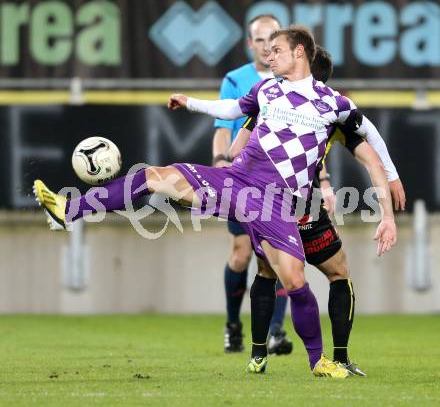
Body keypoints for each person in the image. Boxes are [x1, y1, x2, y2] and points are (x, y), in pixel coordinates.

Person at [34, 26, 397, 378]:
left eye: (277, 51)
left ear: (299, 52)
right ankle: (70, 209)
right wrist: (190, 102)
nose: (269, 58)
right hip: (236, 182)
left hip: (277, 202)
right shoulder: (267, 89)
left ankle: (319, 362)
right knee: (155, 176)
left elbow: (370, 153)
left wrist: (387, 215)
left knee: (295, 280)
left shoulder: (335, 104)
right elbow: (231, 110)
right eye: (267, 52)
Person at [229, 46, 406, 376]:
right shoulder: (331, 112)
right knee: (338, 273)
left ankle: (257, 355)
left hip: (267, 202)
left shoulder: (271, 106)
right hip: (305, 206)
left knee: (267, 272)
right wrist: (387, 205)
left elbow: (235, 150)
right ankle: (339, 357)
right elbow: (371, 156)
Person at [212, 14, 292, 355]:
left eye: (272, 38)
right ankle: (233, 325)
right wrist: (219, 162)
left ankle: (275, 332)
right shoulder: (236, 79)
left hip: (282, 180)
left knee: (280, 256)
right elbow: (222, 126)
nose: (265, 45)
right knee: (242, 254)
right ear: (250, 44)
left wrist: (323, 178)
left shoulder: (295, 79)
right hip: (244, 179)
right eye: (259, 39)